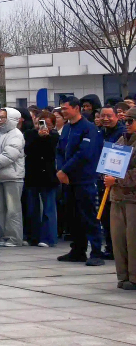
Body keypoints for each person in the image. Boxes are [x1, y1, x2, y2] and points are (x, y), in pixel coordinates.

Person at [56, 96, 106, 266]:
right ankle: (78, 250)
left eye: (66, 108)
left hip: (85, 179)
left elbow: (84, 154)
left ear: (76, 108)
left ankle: (96, 252)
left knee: (89, 216)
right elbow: (59, 150)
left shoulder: (88, 128)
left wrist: (65, 170)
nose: (63, 112)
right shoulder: (67, 128)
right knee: (73, 216)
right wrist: (60, 170)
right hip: (68, 180)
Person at [103, 106, 136, 290]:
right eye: (125, 121)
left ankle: (134, 277)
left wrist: (117, 179)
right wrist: (106, 174)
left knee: (133, 241)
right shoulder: (121, 140)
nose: (127, 124)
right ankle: (123, 275)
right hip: (117, 197)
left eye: (131, 121)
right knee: (118, 240)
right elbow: (109, 163)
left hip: (133, 199)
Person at [0, 107, 26, 247]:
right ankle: (3, 236)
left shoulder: (16, 134)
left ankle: (14, 238)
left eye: (3, 117)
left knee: (13, 210)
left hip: (13, 177)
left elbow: (9, 155)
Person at [25, 111, 60, 247]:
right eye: (40, 123)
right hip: (32, 174)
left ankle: (49, 237)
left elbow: (52, 153)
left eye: (47, 124)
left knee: (49, 208)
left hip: (48, 175)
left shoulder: (54, 136)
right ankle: (33, 236)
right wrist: (38, 137)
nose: (43, 126)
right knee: (32, 208)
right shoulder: (30, 134)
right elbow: (27, 150)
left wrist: (46, 137)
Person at [97, 105, 128, 258]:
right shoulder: (100, 132)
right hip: (101, 178)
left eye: (109, 116)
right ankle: (110, 247)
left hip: (116, 180)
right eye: (103, 116)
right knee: (105, 217)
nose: (105, 119)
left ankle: (118, 249)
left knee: (116, 218)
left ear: (117, 116)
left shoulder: (122, 134)